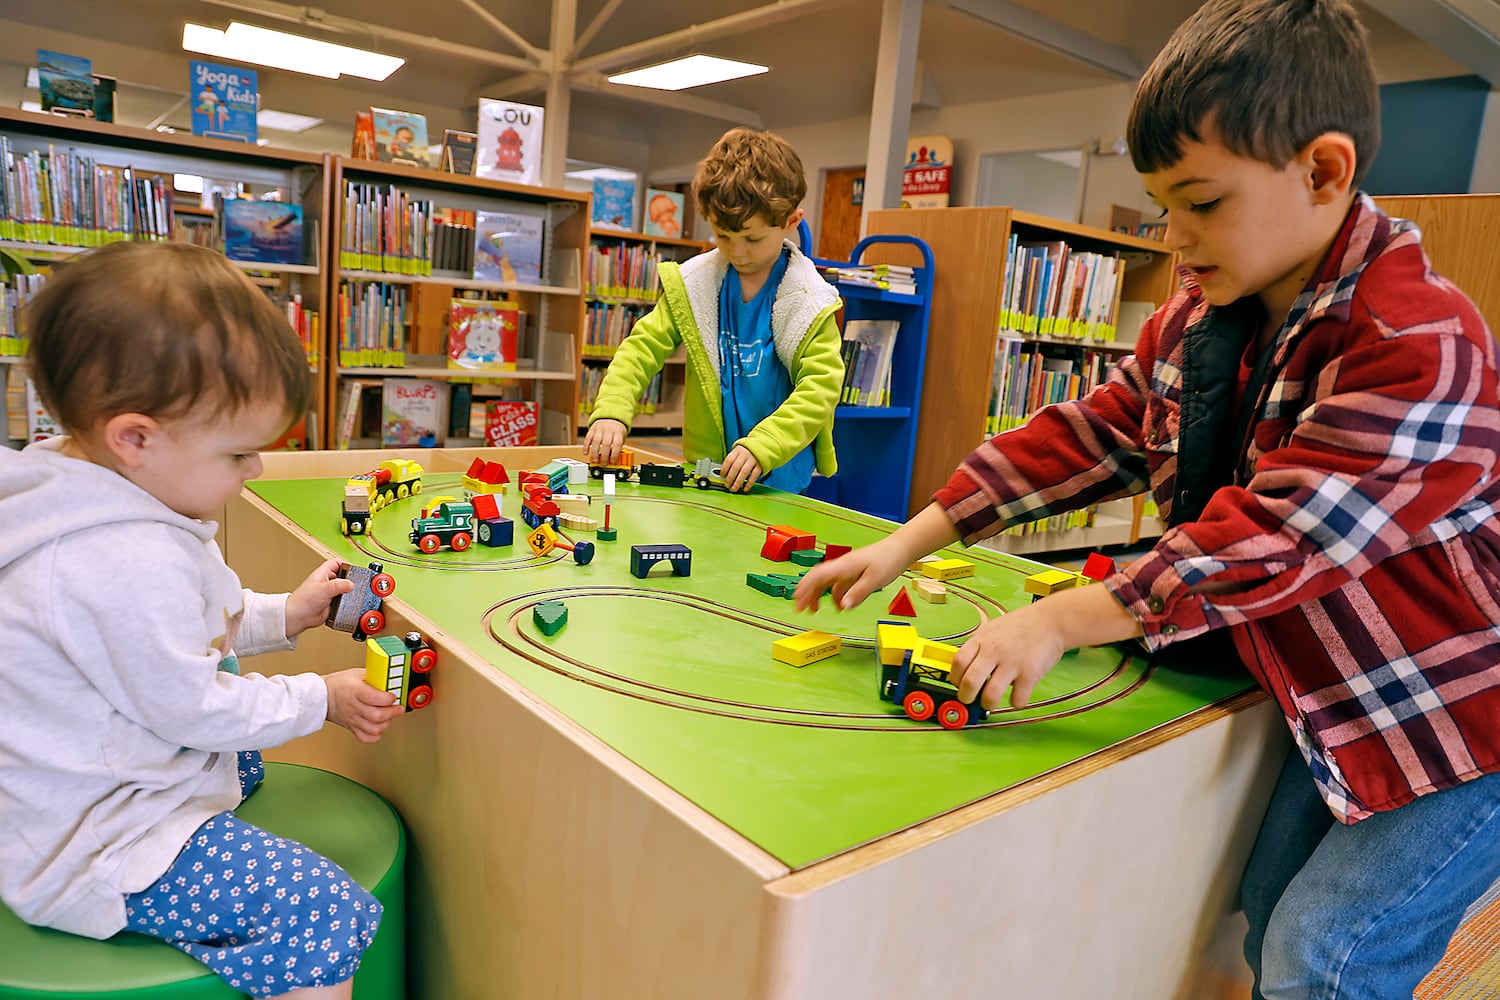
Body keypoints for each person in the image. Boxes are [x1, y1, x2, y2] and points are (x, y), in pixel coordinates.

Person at [794, 1, 1500, 996]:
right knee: (1267, 918)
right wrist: (912, 538)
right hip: (1344, 692)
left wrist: (1067, 617)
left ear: (1324, 172)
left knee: (1326, 948)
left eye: (1202, 203)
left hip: (1466, 714)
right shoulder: (1201, 315)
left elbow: (1278, 535)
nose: (1174, 237)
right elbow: (1094, 433)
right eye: (1163, 204)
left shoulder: (1419, 342)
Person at [0, 241, 404, 999]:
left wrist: (288, 612)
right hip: (96, 840)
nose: (252, 472)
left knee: (248, 760)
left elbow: (190, 629)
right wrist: (321, 698)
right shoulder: (116, 558)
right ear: (137, 438)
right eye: (238, 454)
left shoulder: (109, 493)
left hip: (104, 773)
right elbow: (191, 704)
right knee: (319, 910)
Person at [583, 127, 844, 494]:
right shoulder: (697, 284)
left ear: (791, 222)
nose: (737, 252)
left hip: (778, 473)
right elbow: (641, 348)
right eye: (723, 236)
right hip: (706, 467)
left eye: (752, 239)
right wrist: (612, 411)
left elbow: (821, 388)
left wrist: (764, 445)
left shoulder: (807, 298)